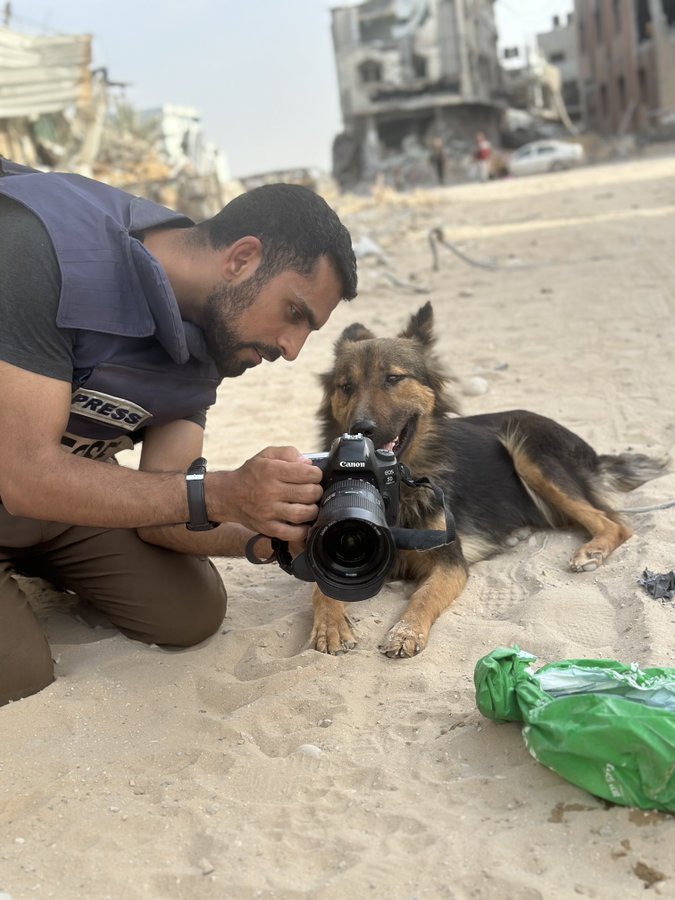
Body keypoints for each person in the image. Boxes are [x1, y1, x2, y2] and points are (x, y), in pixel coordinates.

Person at [0, 158, 358, 706]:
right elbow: (26, 475)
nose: (292, 348)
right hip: (27, 479)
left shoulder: (211, 337)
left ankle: (33, 559)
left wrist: (270, 534)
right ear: (242, 258)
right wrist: (223, 490)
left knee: (189, 613)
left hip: (51, 502)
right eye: (293, 312)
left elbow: (167, 506)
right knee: (19, 677)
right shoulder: (40, 247)